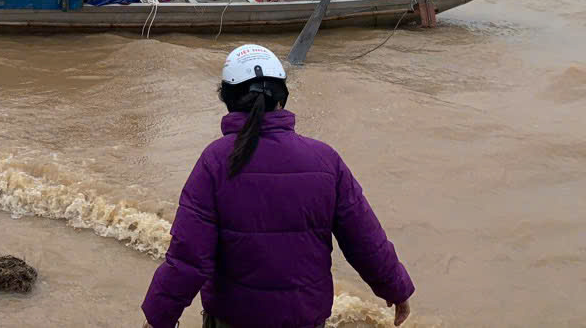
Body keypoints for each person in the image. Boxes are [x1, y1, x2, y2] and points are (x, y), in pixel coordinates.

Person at [140, 44, 415, 328]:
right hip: (305, 318)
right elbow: (365, 239)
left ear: (228, 100)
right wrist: (396, 289)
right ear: (282, 99)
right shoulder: (325, 159)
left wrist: (159, 317)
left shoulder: (216, 161)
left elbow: (188, 257)